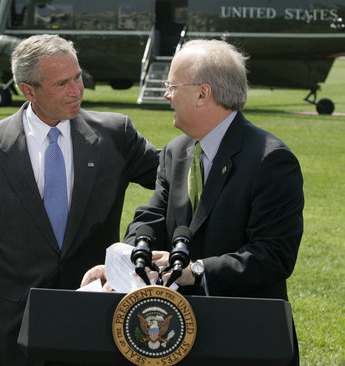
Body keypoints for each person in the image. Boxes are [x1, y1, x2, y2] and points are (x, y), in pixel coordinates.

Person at [0, 34, 160, 366]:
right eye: (62, 83)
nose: (76, 90)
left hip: (94, 315)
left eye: (78, 77)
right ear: (29, 91)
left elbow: (173, 183)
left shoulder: (116, 134)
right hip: (9, 322)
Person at [81, 39, 303, 365]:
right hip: (176, 339)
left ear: (203, 94)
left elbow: (273, 256)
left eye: (171, 86)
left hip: (245, 339)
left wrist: (193, 271)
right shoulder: (176, 151)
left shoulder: (270, 160)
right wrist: (126, 263)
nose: (166, 94)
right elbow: (151, 216)